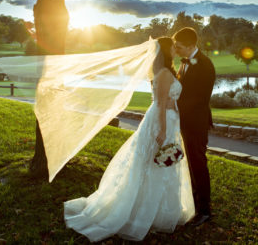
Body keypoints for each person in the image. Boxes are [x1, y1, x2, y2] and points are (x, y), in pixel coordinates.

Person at [63, 37, 195, 242]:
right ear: (165, 51)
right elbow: (160, 104)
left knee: (159, 163)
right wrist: (162, 129)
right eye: (172, 48)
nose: (175, 50)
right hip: (163, 121)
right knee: (156, 163)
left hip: (168, 119)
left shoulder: (162, 71)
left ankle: (159, 209)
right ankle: (144, 213)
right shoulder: (165, 74)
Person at [173, 27, 216, 227]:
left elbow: (199, 99)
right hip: (185, 122)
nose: (176, 49)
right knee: (189, 163)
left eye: (179, 46)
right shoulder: (184, 63)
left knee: (198, 164)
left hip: (196, 123)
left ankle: (205, 210)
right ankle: (195, 202)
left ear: (191, 45)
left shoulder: (205, 65)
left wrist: (173, 107)